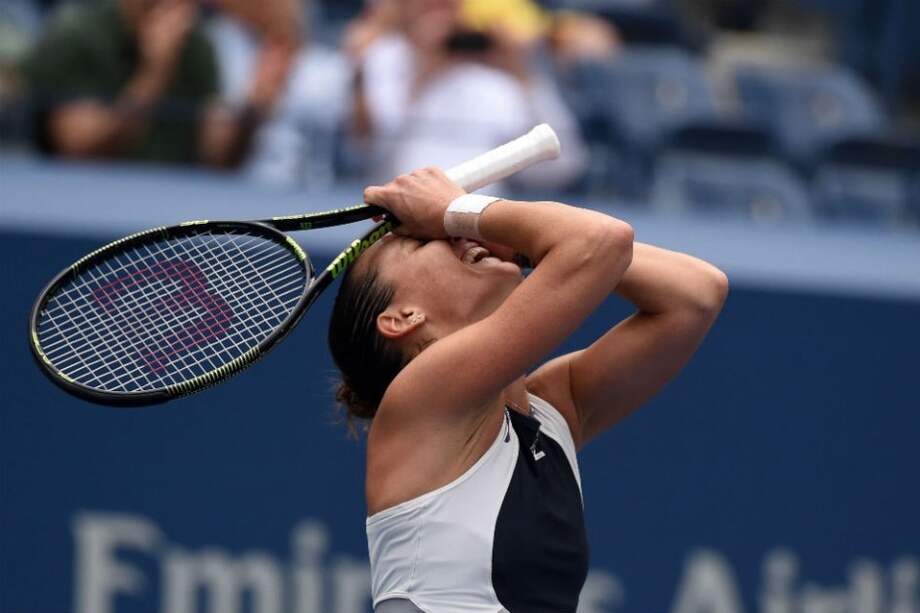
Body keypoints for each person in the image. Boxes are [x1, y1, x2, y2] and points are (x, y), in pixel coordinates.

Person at [327, 167, 729, 611]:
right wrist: (457, 211)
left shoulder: (553, 411)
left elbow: (695, 295)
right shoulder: (421, 398)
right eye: (425, 239)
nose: (451, 235)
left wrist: (515, 242)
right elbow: (599, 241)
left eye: (440, 230)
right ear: (403, 318)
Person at [344, 0, 589, 189]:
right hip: (399, 216)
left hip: (480, 223)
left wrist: (523, 74)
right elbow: (365, 155)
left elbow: (561, 167)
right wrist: (424, 72)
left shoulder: (497, 75)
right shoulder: (382, 57)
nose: (438, 8)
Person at [21, 0, 296, 167]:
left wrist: (252, 108)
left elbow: (216, 158)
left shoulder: (198, 46)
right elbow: (79, 150)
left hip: (172, 212)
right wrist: (155, 72)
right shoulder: (76, 33)